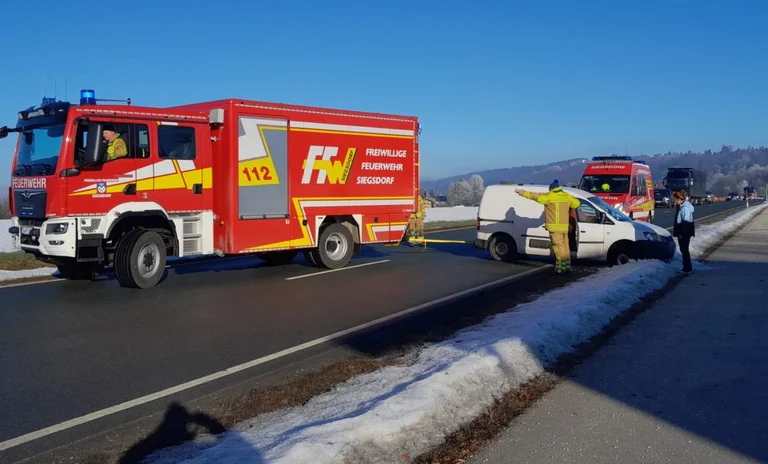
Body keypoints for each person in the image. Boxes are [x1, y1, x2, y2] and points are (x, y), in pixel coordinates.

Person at [515, 180, 581, 274]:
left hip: (555, 228)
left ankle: (561, 268)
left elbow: (534, 196)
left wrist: (521, 192)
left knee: (558, 248)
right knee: (565, 247)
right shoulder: (567, 196)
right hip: (564, 227)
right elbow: (577, 203)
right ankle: (567, 266)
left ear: (551, 189)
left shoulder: (549, 196)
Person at [673, 189, 695, 274]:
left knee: (684, 250)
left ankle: (687, 268)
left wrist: (682, 233)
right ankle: (686, 267)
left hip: (684, 233)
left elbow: (685, 222)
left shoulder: (685, 208)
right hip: (684, 232)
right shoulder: (682, 207)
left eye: (675, 199)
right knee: (684, 250)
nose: (674, 201)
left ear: (679, 199)